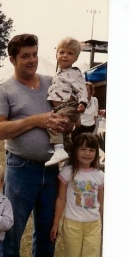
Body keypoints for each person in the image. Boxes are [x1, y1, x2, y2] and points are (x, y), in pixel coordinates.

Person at [0, 33, 75, 257]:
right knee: (12, 232)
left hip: (52, 169)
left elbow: (69, 118)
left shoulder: (52, 83)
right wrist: (36, 120)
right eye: (25, 55)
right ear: (13, 59)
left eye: (35, 54)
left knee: (47, 231)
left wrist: (67, 123)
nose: (32, 60)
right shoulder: (3, 90)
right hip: (20, 169)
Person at [50, 132, 104, 257]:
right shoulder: (68, 172)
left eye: (91, 149)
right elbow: (61, 199)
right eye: (82, 148)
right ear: (75, 150)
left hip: (93, 226)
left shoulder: (100, 175)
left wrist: (103, 223)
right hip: (72, 225)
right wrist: (56, 223)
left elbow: (101, 202)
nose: (87, 153)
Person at [45, 37, 89, 167]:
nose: (65, 56)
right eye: (62, 52)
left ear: (76, 58)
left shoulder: (74, 72)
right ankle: (70, 154)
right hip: (61, 108)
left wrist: (83, 103)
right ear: (56, 54)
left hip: (69, 106)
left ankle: (59, 150)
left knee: (53, 123)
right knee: (63, 133)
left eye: (70, 54)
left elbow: (82, 89)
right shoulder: (57, 73)